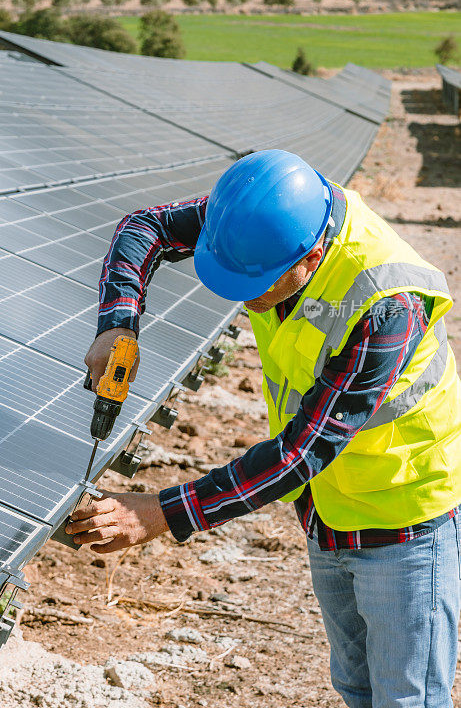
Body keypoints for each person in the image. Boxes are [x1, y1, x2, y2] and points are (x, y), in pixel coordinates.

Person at [66, 149, 461, 708]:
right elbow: (144, 227)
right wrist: (117, 322)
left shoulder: (387, 305)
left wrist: (161, 512)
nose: (246, 300)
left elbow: (304, 449)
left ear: (313, 257)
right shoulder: (263, 218)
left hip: (405, 518)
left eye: (259, 286)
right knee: (357, 689)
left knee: (406, 700)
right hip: (327, 511)